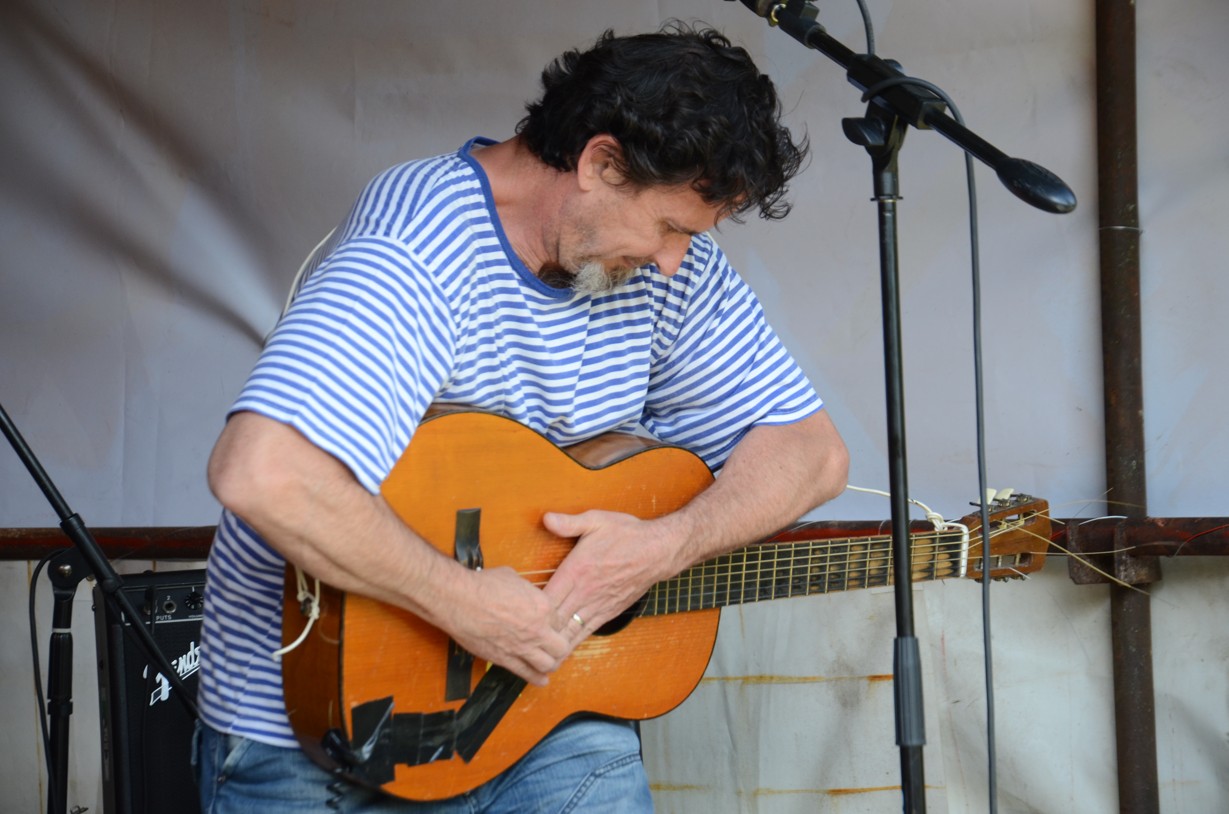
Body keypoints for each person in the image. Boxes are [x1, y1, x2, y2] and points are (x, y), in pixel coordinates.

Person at [195, 22, 849, 814]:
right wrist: (464, 602)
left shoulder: (666, 271)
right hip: (331, 727)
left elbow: (809, 453)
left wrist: (662, 546)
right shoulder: (421, 243)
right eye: (671, 227)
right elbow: (263, 472)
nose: (675, 259)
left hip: (548, 708)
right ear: (600, 163)